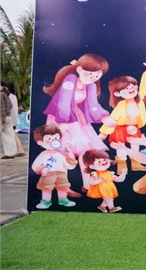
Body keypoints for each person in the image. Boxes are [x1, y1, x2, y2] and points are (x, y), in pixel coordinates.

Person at [42, 53, 113, 196]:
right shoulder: (71, 79)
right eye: (91, 73)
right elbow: (63, 102)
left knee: (85, 153)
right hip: (62, 117)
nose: (93, 77)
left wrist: (104, 117)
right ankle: (63, 187)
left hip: (78, 119)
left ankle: (87, 184)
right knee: (62, 152)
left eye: (97, 75)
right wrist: (62, 122)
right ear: (79, 69)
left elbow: (93, 105)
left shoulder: (91, 86)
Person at [99, 58, 146, 172]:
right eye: (127, 88)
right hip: (120, 129)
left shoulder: (139, 99)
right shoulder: (121, 105)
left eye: (133, 86)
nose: (131, 89)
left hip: (134, 127)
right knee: (121, 147)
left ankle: (135, 163)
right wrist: (103, 134)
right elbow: (112, 120)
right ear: (117, 93)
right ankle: (122, 165)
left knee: (135, 146)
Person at [30, 124, 78, 209]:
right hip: (49, 174)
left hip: (61, 174)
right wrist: (41, 169)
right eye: (49, 138)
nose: (53, 141)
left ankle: (63, 199)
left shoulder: (60, 154)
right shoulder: (43, 155)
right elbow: (35, 165)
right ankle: (45, 202)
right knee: (46, 188)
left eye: (55, 138)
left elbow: (68, 166)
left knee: (63, 186)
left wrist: (71, 158)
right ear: (40, 142)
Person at [82, 149, 127, 213]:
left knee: (110, 199)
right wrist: (98, 180)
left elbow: (119, 179)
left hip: (109, 188)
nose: (103, 162)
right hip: (102, 189)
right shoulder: (95, 174)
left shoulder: (110, 173)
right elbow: (91, 182)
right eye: (99, 161)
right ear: (92, 166)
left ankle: (102, 206)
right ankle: (111, 208)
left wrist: (123, 173)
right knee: (108, 198)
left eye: (104, 159)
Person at [2, 81, 25, 157]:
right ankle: (20, 150)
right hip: (13, 119)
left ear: (7, 87)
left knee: (11, 135)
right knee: (12, 135)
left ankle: (20, 150)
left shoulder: (7, 96)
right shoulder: (13, 96)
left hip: (9, 119)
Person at [0, 84, 17, 159]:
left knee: (7, 136)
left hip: (2, 118)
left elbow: (2, 108)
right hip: (8, 117)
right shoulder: (6, 94)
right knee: (9, 136)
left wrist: (3, 118)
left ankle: (9, 154)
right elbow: (10, 105)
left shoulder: (1, 95)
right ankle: (11, 154)